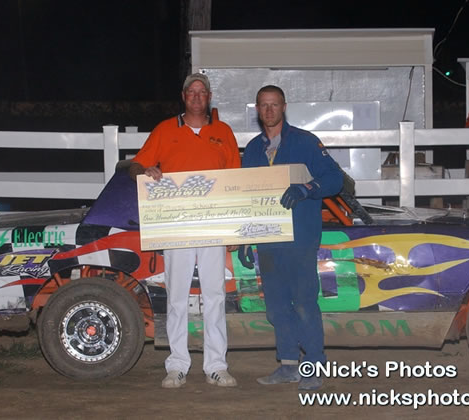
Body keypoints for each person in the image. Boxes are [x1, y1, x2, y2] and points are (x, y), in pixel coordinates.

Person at [129, 73, 241, 388]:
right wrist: (146, 171)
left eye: (202, 91)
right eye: (191, 91)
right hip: (176, 225)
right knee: (176, 295)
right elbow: (135, 166)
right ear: (183, 96)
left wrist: (234, 230)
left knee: (215, 295)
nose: (196, 96)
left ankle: (216, 365)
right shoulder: (165, 130)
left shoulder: (223, 132)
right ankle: (177, 365)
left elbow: (235, 181)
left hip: (214, 224)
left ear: (209, 97)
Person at [238, 85, 344, 390]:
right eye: (263, 105)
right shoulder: (253, 150)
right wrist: (244, 236)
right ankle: (288, 365)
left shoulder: (305, 142)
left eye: (274, 104)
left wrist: (306, 189)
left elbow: (335, 178)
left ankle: (314, 365)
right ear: (257, 109)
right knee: (276, 307)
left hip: (300, 237)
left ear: (284, 107)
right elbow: (246, 196)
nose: (269, 110)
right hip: (268, 240)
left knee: (304, 303)